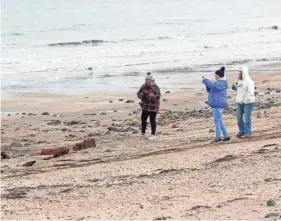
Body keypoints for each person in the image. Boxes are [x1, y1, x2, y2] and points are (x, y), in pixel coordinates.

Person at [202, 67, 230, 142]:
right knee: (219, 120)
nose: (215, 76)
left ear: (219, 75)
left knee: (217, 121)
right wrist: (207, 84)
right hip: (217, 104)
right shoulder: (218, 82)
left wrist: (205, 81)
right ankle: (226, 136)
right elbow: (210, 89)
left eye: (216, 75)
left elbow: (214, 87)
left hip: (218, 104)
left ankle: (218, 137)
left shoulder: (221, 83)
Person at [232, 67, 255, 138]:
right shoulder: (239, 81)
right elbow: (240, 91)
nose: (239, 74)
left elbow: (250, 92)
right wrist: (235, 88)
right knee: (239, 117)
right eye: (239, 72)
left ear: (244, 73)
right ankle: (241, 131)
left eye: (240, 72)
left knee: (247, 117)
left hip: (248, 102)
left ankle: (247, 132)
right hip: (239, 102)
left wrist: (245, 100)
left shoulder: (249, 81)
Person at [137, 72, 161, 140]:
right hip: (145, 106)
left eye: (149, 82)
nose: (148, 83)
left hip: (154, 107)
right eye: (147, 81)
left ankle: (153, 134)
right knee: (143, 119)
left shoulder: (156, 87)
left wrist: (150, 96)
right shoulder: (143, 86)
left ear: (152, 81)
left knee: (152, 120)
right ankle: (142, 133)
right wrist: (143, 95)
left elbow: (158, 97)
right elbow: (139, 93)